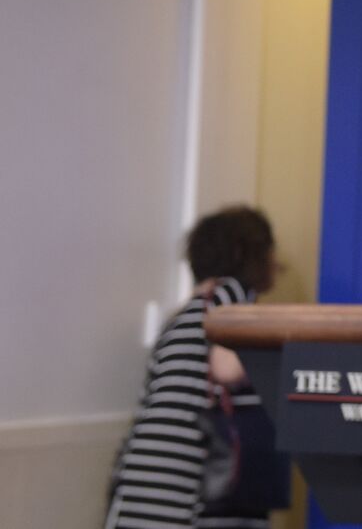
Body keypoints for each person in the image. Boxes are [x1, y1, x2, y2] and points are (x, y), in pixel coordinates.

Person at [105, 206, 279, 529]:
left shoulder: (178, 320)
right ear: (246, 255)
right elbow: (226, 368)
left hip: (141, 492)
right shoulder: (228, 296)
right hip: (187, 498)